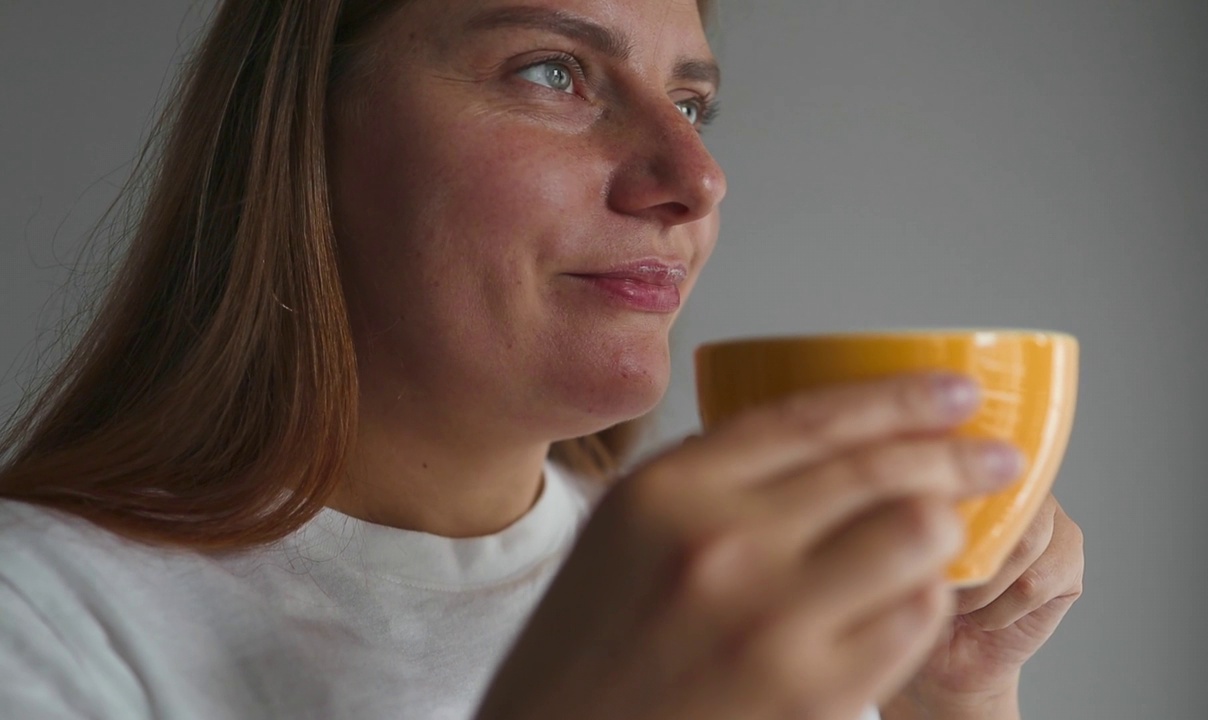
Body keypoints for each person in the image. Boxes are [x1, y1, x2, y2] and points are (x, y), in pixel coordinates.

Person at [0, 1, 1085, 718]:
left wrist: (944, 704)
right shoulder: (39, 620)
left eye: (693, 101)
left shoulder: (739, 597)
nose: (693, 176)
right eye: (552, 72)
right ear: (303, 133)